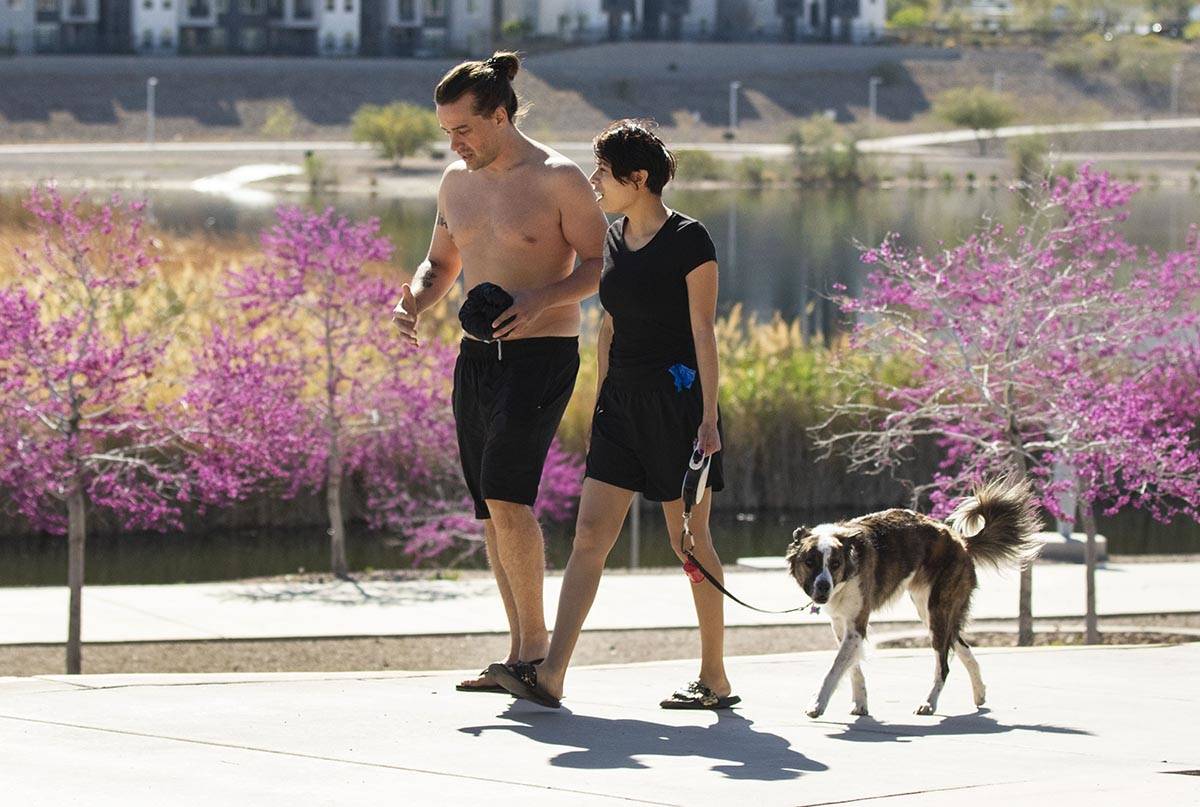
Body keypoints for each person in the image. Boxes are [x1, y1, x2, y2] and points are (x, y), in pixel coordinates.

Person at [491, 120, 736, 710]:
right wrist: (600, 400)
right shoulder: (614, 237)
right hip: (620, 406)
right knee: (589, 537)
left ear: (639, 177)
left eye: (603, 172)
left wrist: (708, 420)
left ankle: (715, 678)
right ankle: (551, 674)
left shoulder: (690, 240)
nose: (595, 181)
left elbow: (704, 332)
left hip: (677, 408)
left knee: (689, 541)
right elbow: (610, 325)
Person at [391, 52, 608, 693]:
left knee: (510, 497)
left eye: (463, 129)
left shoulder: (560, 179)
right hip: (478, 358)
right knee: (490, 508)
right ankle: (517, 653)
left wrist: (541, 299)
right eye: (446, 132)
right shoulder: (455, 183)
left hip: (542, 355)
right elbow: (439, 263)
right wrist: (413, 298)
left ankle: (538, 656)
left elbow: (603, 265)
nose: (454, 142)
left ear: (501, 114)